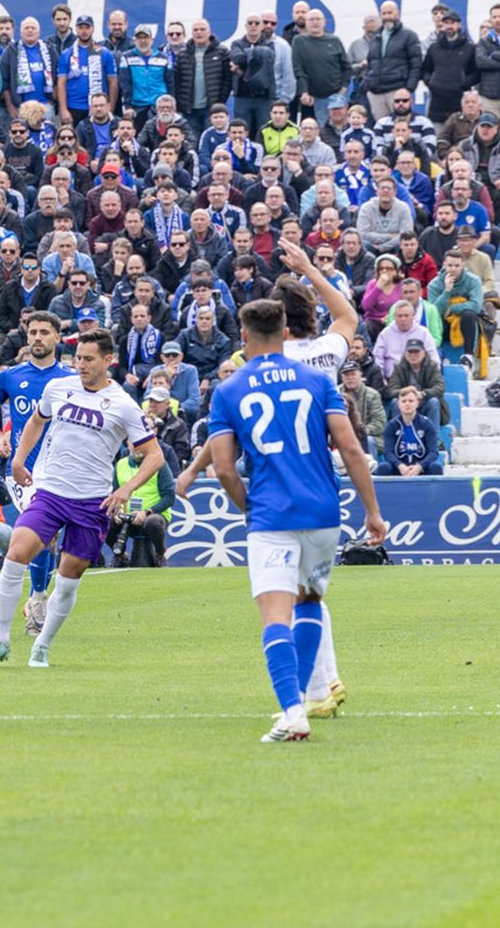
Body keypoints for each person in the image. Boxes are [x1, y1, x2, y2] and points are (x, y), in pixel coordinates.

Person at [207, 298, 386, 743]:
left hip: (272, 515)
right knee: (308, 602)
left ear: (243, 337)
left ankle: (292, 710)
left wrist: (248, 507)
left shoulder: (229, 390)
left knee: (274, 615)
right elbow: (349, 447)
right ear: (286, 333)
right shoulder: (316, 380)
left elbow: (226, 468)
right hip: (324, 512)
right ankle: (301, 700)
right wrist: (373, 511)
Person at [0, 330, 161, 670]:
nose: (81, 365)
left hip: (92, 503)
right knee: (16, 553)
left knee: (69, 578)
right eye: (78, 358)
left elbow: (154, 456)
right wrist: (18, 458)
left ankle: (41, 647)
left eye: (89, 359)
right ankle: (1, 640)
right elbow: (35, 421)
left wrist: (127, 487)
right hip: (50, 492)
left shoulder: (124, 405)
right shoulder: (59, 387)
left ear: (109, 360)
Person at [0, 310, 71, 636]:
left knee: (50, 538)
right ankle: (38, 598)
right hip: (23, 470)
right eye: (33, 333)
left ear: (57, 337)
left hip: (60, 469)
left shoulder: (71, 379)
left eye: (45, 332)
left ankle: (36, 595)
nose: (38, 338)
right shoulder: (11, 376)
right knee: (42, 533)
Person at [105, 439, 177, 567]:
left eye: (141, 444)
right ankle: (121, 556)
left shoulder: (160, 464)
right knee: (102, 520)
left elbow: (169, 497)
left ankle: (160, 554)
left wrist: (147, 512)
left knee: (153, 522)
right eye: (134, 443)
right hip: (125, 515)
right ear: (128, 444)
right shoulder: (120, 464)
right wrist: (116, 512)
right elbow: (114, 492)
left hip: (152, 515)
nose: (137, 447)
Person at [377, 386, 443, 477]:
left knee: (436, 467)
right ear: (398, 404)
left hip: (422, 467)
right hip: (399, 467)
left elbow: (434, 452)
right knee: (383, 468)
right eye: (404, 401)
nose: (407, 404)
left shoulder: (427, 424)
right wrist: (400, 465)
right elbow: (388, 452)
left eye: (411, 401)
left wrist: (419, 466)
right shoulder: (391, 425)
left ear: (417, 403)